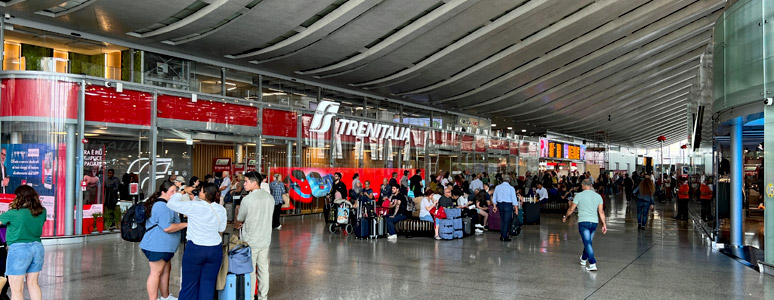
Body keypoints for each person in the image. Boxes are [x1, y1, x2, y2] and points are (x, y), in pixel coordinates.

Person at [167, 183, 226, 300]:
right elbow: (221, 228)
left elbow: (171, 203)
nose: (199, 192)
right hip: (215, 250)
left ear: (205, 194)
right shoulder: (221, 209)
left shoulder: (194, 206)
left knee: (189, 286)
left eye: (201, 191)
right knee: (208, 286)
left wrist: (183, 191)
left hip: (195, 250)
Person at [140, 181, 187, 300]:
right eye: (172, 191)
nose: (175, 194)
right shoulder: (162, 206)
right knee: (156, 272)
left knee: (166, 270)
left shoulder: (169, 204)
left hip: (164, 247)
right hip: (157, 246)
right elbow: (167, 227)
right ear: (163, 192)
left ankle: (165, 297)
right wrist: (186, 224)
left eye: (176, 191)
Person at [0, 186, 46, 300]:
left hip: (19, 250)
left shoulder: (13, 213)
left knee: (16, 290)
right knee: (33, 284)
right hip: (37, 248)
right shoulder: (42, 211)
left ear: (19, 197)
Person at [236, 172, 274, 300]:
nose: (244, 184)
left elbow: (240, 218)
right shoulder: (270, 198)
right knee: (264, 269)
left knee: (251, 270)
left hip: (251, 241)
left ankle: (251, 296)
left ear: (254, 182)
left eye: (246, 181)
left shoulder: (247, 199)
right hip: (265, 239)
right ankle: (263, 296)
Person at [562, 179, 607, 271]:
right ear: (590, 185)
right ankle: (583, 259)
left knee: (587, 243)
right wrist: (604, 224)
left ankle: (592, 263)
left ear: (583, 185)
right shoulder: (598, 196)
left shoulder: (579, 195)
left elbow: (571, 209)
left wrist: (565, 216)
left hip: (583, 222)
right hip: (594, 222)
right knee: (588, 242)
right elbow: (601, 212)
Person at [492, 175, 518, 241]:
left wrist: (494, 206)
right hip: (508, 205)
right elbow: (514, 200)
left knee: (502, 220)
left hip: (500, 205)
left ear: (503, 180)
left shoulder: (497, 187)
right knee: (507, 221)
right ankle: (504, 237)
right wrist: (516, 209)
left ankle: (502, 235)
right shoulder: (511, 188)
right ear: (509, 180)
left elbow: (494, 197)